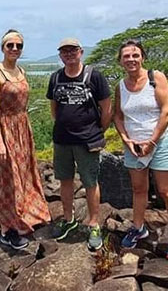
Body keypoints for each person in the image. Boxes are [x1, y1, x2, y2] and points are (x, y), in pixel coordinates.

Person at [113, 39, 168, 260]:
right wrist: (126, 139)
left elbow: (167, 111)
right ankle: (138, 227)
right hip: (134, 145)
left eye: (135, 55)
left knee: (167, 191)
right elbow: (118, 115)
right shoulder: (121, 85)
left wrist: (152, 142)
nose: (131, 59)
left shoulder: (155, 78)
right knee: (139, 189)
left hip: (161, 141)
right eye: (126, 56)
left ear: (143, 57)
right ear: (120, 61)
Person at [0, 29, 51, 249]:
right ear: (2, 48)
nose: (14, 49)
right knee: (9, 178)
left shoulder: (21, 71)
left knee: (25, 174)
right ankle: (7, 229)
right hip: (6, 129)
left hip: (23, 127)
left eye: (19, 46)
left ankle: (23, 217)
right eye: (10, 45)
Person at [46, 38, 112, 250]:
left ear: (81, 52)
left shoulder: (94, 76)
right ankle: (68, 219)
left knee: (90, 181)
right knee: (65, 180)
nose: (69, 54)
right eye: (64, 51)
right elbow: (54, 110)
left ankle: (94, 224)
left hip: (87, 140)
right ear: (60, 55)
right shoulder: (56, 77)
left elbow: (107, 109)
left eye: (72, 50)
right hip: (62, 140)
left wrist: (97, 131)